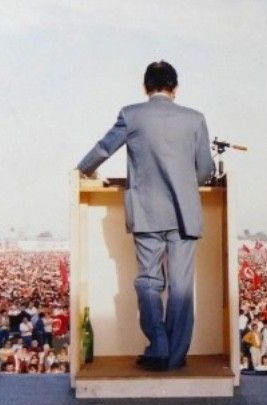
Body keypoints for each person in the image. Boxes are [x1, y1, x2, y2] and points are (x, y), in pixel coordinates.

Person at [76, 61, 215, 371]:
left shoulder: (131, 115)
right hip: (184, 215)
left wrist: (82, 169)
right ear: (175, 88)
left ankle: (158, 347)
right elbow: (205, 171)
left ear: (145, 87)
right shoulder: (195, 119)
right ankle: (176, 356)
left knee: (149, 281)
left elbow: (103, 149)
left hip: (147, 213)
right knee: (181, 287)